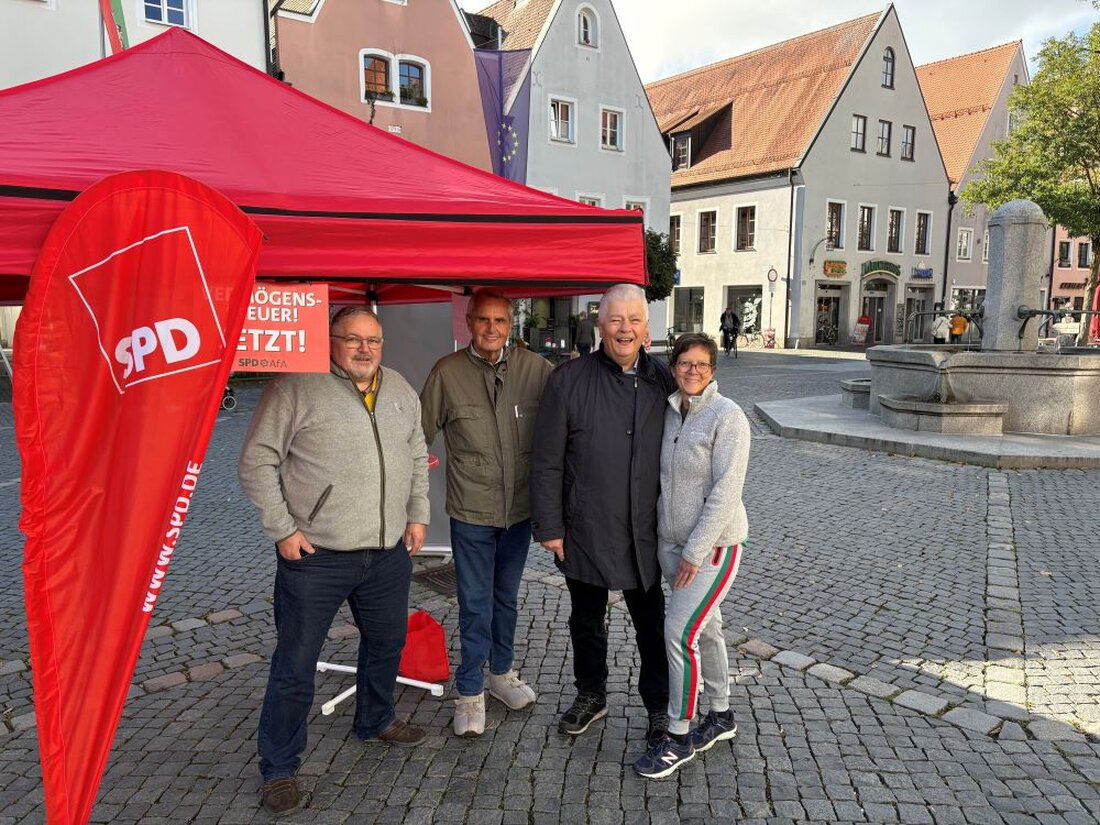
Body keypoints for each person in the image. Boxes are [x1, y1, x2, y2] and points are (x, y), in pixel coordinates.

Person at [238, 306, 430, 816]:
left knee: (387, 644)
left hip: (386, 552)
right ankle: (279, 767)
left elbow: (415, 453)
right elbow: (256, 460)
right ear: (331, 341)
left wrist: (417, 513)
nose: (364, 349)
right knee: (295, 665)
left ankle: (375, 719)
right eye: (352, 339)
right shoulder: (296, 386)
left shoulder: (400, 389)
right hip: (316, 557)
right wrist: (283, 529)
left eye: (374, 340)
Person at [531, 283, 677, 747]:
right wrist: (550, 526)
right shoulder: (567, 381)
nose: (625, 328)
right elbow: (547, 458)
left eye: (634, 320)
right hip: (586, 526)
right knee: (585, 620)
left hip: (646, 530)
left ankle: (659, 705)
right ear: (599, 325)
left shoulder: (664, 381)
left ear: (647, 329)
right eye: (616, 320)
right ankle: (591, 693)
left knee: (651, 625)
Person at [420, 289, 554, 737]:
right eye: (483, 321)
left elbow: (570, 421)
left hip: (518, 511)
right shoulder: (447, 373)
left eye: (500, 320)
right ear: (469, 323)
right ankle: (471, 690)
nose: (492, 328)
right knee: (475, 603)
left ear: (511, 324)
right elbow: (416, 436)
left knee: (506, 599)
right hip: (471, 511)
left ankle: (501, 673)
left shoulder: (536, 370)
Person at [632, 332, 750, 779]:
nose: (693, 371)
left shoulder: (728, 417)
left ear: (713, 369)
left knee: (679, 635)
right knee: (709, 627)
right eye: (685, 364)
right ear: (674, 366)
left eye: (702, 364)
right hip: (670, 543)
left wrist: (695, 553)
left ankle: (678, 736)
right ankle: (720, 714)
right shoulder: (668, 411)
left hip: (713, 549)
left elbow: (725, 492)